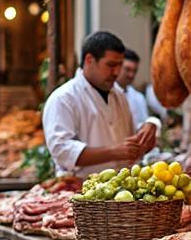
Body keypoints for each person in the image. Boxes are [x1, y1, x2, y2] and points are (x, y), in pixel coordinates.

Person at [43, 31, 161, 176]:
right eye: (111, 65)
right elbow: (62, 150)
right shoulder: (63, 98)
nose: (116, 72)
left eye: (119, 65)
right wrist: (114, 152)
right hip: (78, 191)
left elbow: (131, 142)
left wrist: (149, 127)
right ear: (89, 60)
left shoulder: (119, 94)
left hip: (122, 190)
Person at [117, 48, 152, 132]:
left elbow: (144, 124)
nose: (131, 75)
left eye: (135, 71)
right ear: (117, 67)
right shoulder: (106, 93)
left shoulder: (139, 98)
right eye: (127, 69)